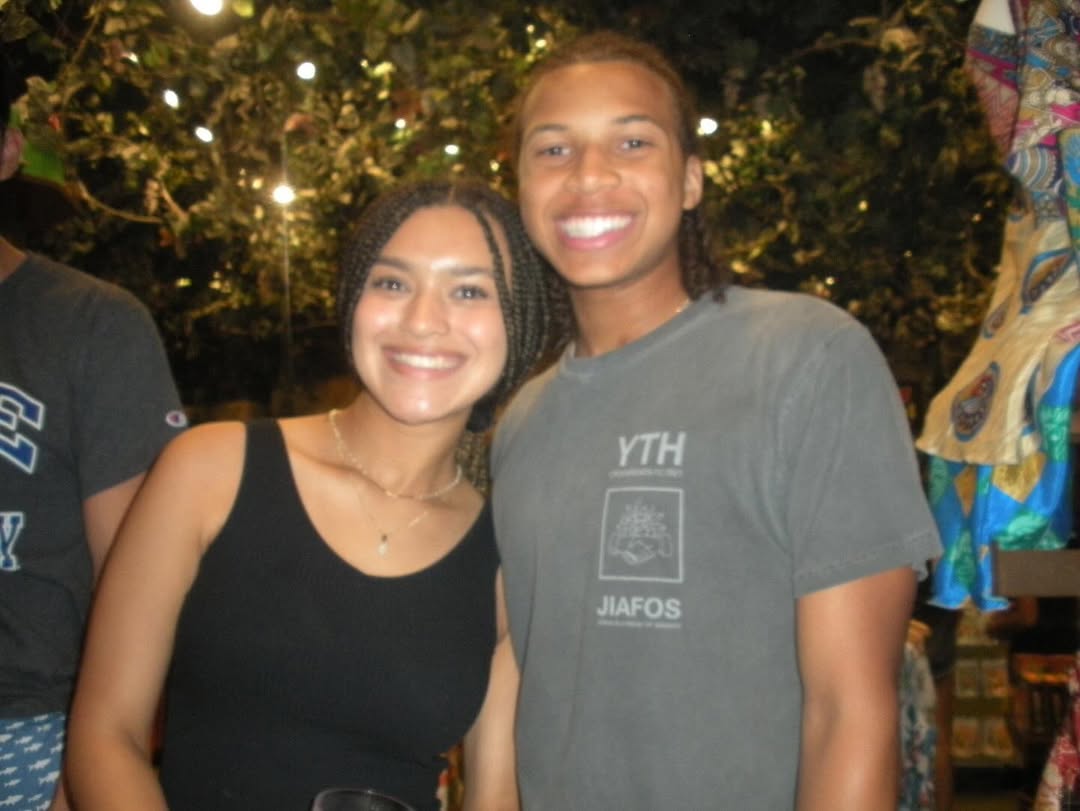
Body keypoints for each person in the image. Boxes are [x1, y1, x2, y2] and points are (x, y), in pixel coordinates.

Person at [490, 31, 943, 809]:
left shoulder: (806, 357)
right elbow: (518, 670)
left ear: (691, 180)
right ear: (522, 186)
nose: (589, 174)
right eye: (553, 150)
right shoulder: (521, 421)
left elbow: (849, 709)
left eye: (632, 141)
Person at [65, 178, 550, 811]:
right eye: (392, 283)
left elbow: (495, 798)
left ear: (520, 323)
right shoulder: (210, 470)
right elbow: (106, 735)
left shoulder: (508, 557)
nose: (423, 320)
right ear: (353, 303)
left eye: (469, 291)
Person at [0, 57, 187, 811]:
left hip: (31, 733)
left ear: (8, 150)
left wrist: (93, 770)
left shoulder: (90, 325)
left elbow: (144, 588)